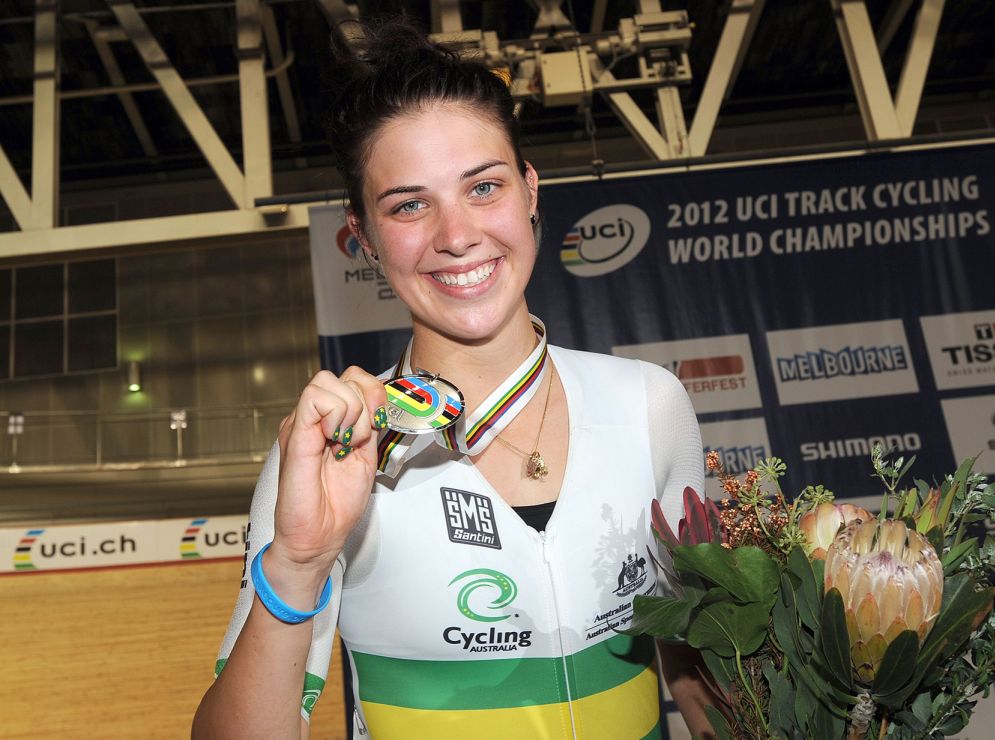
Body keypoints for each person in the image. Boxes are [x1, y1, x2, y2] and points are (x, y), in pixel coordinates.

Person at [193, 18, 712, 740]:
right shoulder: (330, 452)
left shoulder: (650, 405)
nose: (457, 234)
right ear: (365, 237)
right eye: (409, 205)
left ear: (530, 191)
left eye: (484, 186)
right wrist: (298, 564)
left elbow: (695, 667)